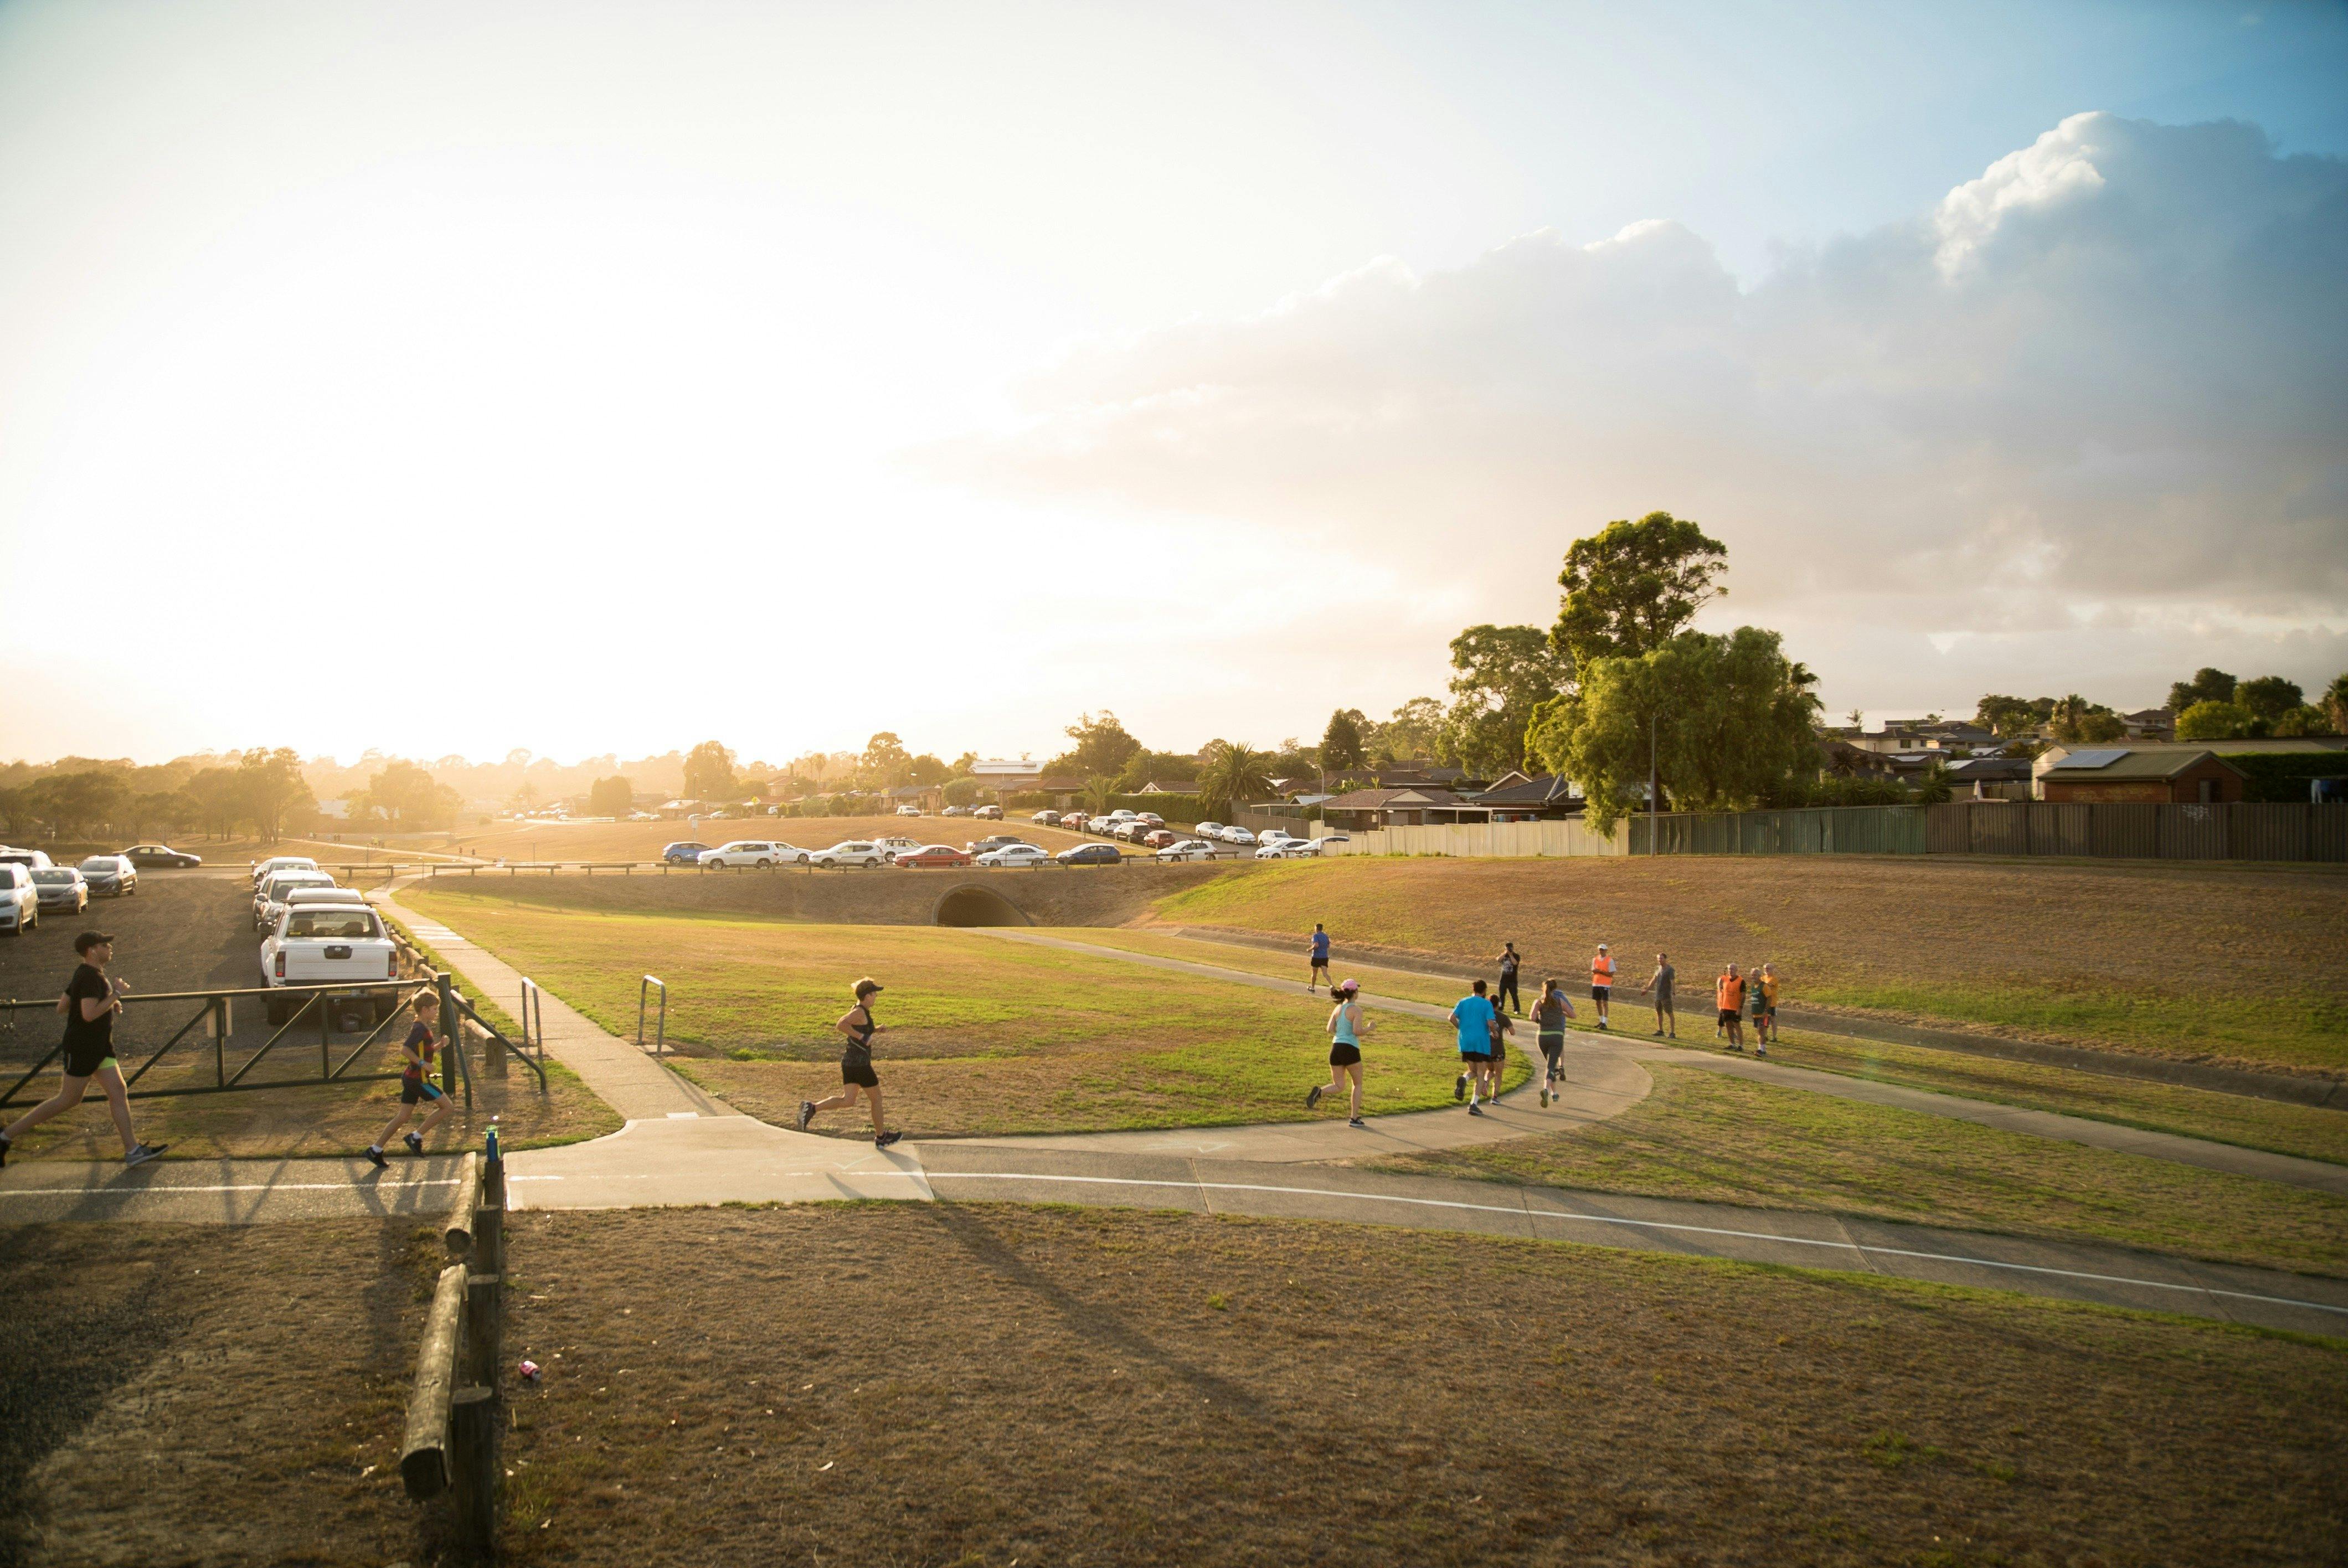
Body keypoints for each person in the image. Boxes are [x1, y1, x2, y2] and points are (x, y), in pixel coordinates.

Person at [0, 932, 166, 1168]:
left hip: (99, 1047)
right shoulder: (90, 977)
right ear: (91, 950)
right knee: (68, 1100)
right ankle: (4, 1137)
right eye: (104, 945)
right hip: (83, 1047)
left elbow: (63, 1006)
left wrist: (109, 1003)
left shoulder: (86, 974)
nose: (110, 948)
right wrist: (116, 994)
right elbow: (87, 1014)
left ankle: (133, 1151)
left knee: (118, 1091)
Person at [799, 978, 903, 1149]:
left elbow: (859, 1028)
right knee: (877, 1099)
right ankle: (881, 1136)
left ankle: (812, 1108)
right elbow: (841, 1024)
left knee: (848, 1101)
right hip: (860, 1065)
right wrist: (862, 1037)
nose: (876, 996)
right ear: (867, 996)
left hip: (850, 1063)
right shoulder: (859, 1012)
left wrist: (875, 1031)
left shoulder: (860, 1011)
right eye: (874, 993)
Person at [366, 989, 453, 1167]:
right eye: (434, 1009)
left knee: (403, 1116)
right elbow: (405, 1050)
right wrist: (424, 1064)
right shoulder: (420, 1029)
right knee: (447, 1107)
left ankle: (375, 1150)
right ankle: (415, 1137)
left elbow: (422, 1049)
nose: (437, 1012)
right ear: (424, 1009)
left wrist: (438, 1046)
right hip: (418, 1080)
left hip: (410, 1078)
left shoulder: (422, 1027)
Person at [1306, 979, 1370, 1128]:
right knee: (1358, 1083)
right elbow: (1357, 1031)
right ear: (1355, 992)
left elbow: (1329, 1029)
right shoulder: (1356, 1010)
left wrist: (1341, 1033)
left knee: (1339, 1085)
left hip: (1336, 1048)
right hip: (1350, 1049)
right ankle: (1354, 1119)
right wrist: (1369, 1028)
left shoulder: (1338, 1009)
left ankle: (1320, 1092)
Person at [1449, 979, 1500, 1117]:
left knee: (1472, 1070)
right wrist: (1494, 1032)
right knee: (1481, 1073)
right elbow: (1490, 1022)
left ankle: (1464, 1080)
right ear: (1484, 991)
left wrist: (1462, 1028)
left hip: (1465, 1041)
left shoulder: (1463, 1002)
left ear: (1473, 989)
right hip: (1481, 1042)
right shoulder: (1487, 1004)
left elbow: (1452, 1018)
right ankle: (1474, 1104)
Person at [1533, 978, 1575, 1107]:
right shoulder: (1560, 1000)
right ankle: (1546, 1089)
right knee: (1551, 1066)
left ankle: (1554, 1093)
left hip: (1542, 1036)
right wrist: (1561, 1012)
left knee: (1550, 1065)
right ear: (1555, 989)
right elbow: (1573, 1015)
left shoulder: (1539, 1001)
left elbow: (1532, 1017)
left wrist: (1541, 1021)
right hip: (1556, 1036)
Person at [1641, 952, 1676, 1039]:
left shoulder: (1670, 970)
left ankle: (1672, 1032)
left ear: (1665, 959)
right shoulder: (1658, 968)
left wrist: (1673, 992)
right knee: (1659, 1012)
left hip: (1666, 995)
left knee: (1670, 1013)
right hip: (1658, 994)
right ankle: (1660, 1030)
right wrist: (1647, 989)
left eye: (1661, 958)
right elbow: (1654, 979)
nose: (1660, 960)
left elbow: (1673, 981)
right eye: (1658, 959)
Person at [1716, 964, 1746, 1052]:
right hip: (1726, 1007)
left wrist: (1740, 1007)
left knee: (1737, 1026)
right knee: (1728, 1026)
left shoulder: (1741, 981)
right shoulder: (1725, 979)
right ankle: (1732, 1044)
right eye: (1730, 969)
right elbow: (1721, 990)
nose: (1731, 971)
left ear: (1737, 970)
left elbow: (1743, 995)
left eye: (1733, 969)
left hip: (1735, 1007)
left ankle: (1741, 1045)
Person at [1589, 943, 1617, 1030]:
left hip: (1605, 984)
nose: (1601, 951)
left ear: (1606, 950)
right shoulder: (1595, 959)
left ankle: (1605, 1022)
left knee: (1604, 1003)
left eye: (1603, 950)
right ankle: (1601, 1021)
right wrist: (1595, 972)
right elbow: (1593, 970)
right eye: (1600, 950)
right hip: (1596, 983)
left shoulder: (1610, 960)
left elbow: (1611, 974)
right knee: (1598, 1002)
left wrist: (1600, 971)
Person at [1755, 962, 1780, 1055]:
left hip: (1772, 1003)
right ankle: (1764, 1036)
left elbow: (1766, 987)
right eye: (1765, 968)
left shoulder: (1774, 978)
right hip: (1765, 1004)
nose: (1767, 969)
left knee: (1773, 1020)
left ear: (1773, 969)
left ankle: (1774, 1036)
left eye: (1769, 968)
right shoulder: (1763, 978)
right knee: (1765, 1020)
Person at [1494, 942, 1522, 1015]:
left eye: (1511, 948)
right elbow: (1498, 960)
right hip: (1503, 980)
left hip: (1512, 980)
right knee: (1501, 995)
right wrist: (1504, 953)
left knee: (1514, 995)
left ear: (1513, 948)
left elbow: (1515, 963)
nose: (1510, 949)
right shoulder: (1504, 955)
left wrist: (1511, 955)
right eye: (1508, 948)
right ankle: (1500, 1008)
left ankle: (1517, 1009)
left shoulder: (1516, 956)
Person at [1307, 924, 1332, 995]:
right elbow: (1328, 946)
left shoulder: (1316, 936)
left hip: (1316, 957)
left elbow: (1316, 945)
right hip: (1324, 957)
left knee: (1314, 973)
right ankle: (1331, 985)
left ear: (1317, 929)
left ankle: (1313, 988)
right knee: (1325, 974)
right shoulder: (1326, 936)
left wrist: (1309, 949)